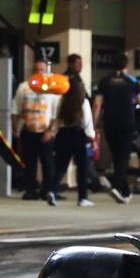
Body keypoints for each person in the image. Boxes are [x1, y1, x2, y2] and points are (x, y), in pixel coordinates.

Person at [93, 60, 140, 202]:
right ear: (126, 65)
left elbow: (97, 104)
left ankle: (125, 191)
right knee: (123, 156)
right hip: (126, 123)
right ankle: (117, 186)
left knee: (116, 155)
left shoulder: (104, 81)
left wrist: (93, 124)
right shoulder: (132, 82)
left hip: (109, 122)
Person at [11, 58, 60, 204]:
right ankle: (30, 189)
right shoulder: (24, 87)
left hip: (45, 131)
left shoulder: (52, 89)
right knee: (29, 163)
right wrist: (15, 129)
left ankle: (47, 190)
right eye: (36, 70)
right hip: (28, 130)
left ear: (46, 72)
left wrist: (51, 131)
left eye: (41, 70)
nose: (39, 72)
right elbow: (15, 110)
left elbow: (56, 113)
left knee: (47, 162)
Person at [52, 75, 98, 207]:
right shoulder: (83, 102)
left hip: (63, 134)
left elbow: (57, 119)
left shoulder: (62, 100)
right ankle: (83, 197)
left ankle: (52, 191)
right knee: (82, 167)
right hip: (78, 135)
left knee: (60, 167)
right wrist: (92, 138)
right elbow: (87, 123)